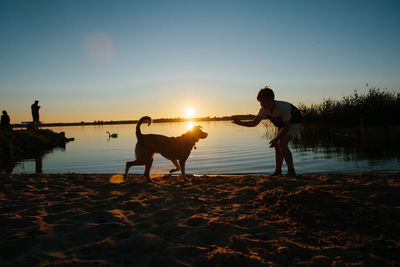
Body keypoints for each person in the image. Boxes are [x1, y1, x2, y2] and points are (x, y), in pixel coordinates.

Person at [232, 86, 302, 177]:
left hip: (295, 121)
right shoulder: (263, 110)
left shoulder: (283, 107)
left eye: (263, 101)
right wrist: (240, 123)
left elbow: (287, 126)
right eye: (260, 102)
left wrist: (277, 138)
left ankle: (291, 171)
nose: (261, 104)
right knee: (278, 145)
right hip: (283, 124)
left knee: (282, 143)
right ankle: (278, 171)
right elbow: (254, 123)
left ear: (271, 99)